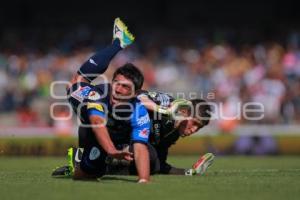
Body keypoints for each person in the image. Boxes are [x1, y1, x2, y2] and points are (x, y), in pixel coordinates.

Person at [64, 18, 151, 183]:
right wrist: (111, 150)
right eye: (116, 84)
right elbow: (97, 121)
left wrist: (144, 180)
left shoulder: (139, 111)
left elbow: (140, 147)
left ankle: (78, 159)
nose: (118, 90)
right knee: (76, 81)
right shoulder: (98, 97)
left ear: (136, 93)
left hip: (106, 130)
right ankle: (118, 43)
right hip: (89, 107)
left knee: (89, 174)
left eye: (125, 87)